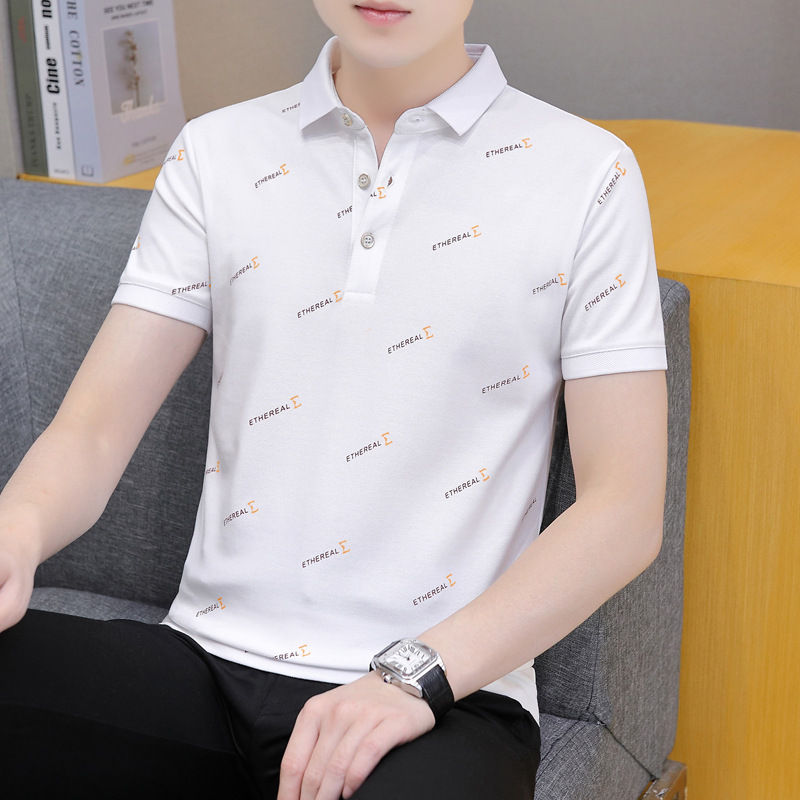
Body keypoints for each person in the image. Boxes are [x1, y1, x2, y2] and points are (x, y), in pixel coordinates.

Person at [0, 1, 668, 798]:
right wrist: (18, 528)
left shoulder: (588, 174)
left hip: (446, 700)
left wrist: (412, 677)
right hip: (203, 668)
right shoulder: (217, 151)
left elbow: (624, 510)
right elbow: (93, 432)